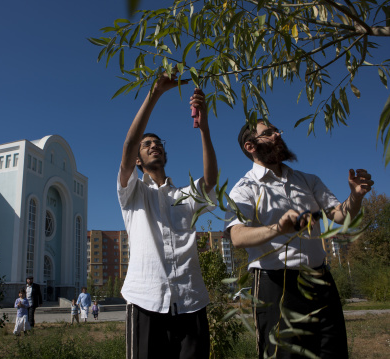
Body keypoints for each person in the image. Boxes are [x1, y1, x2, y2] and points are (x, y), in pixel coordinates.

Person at [225, 120, 374, 358]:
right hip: (276, 287)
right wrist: (278, 228)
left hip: (320, 281)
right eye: (269, 133)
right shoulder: (244, 188)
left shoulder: (307, 180)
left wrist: (355, 197)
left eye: (276, 131)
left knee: (332, 351)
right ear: (250, 146)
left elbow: (339, 214)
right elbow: (237, 236)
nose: (277, 135)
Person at [117, 72, 217, 359]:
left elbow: (210, 181)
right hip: (146, 301)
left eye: (158, 143)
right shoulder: (133, 193)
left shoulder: (183, 195)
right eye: (146, 145)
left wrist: (204, 128)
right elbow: (127, 147)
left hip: (191, 302)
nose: (153, 146)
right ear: (138, 160)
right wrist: (156, 93)